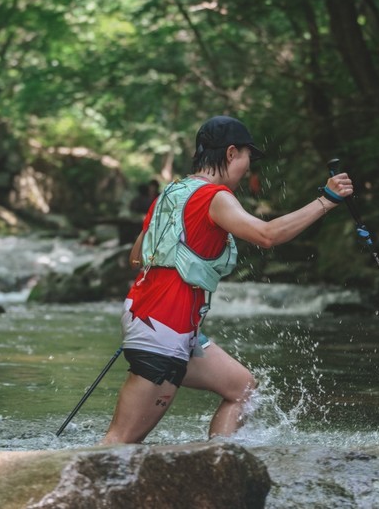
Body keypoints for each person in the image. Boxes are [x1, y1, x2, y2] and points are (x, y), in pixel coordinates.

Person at [101, 115, 353, 444]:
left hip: (155, 319)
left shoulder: (171, 193)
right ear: (232, 153)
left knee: (242, 388)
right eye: (247, 157)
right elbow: (267, 235)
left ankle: (219, 462)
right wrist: (327, 200)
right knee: (119, 443)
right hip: (163, 325)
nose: (248, 168)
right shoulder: (214, 197)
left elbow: (137, 257)